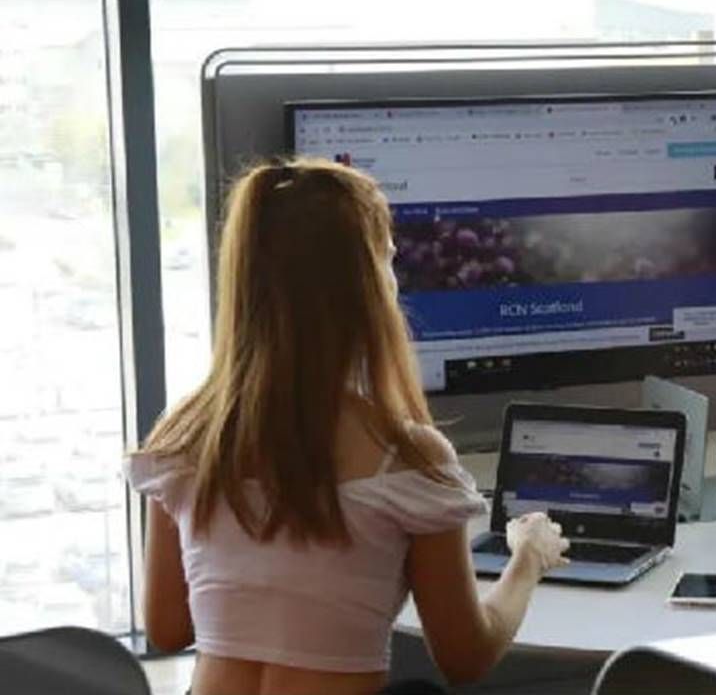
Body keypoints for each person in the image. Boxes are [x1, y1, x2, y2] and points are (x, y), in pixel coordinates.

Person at [125, 158, 569, 695]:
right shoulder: (404, 458)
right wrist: (529, 557)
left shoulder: (185, 439)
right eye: (388, 258)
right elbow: (465, 657)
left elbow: (168, 629)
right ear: (365, 289)